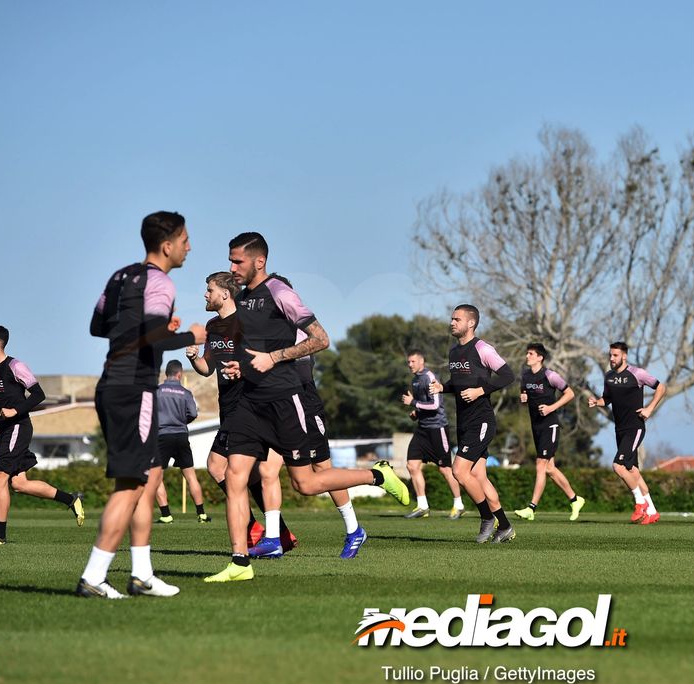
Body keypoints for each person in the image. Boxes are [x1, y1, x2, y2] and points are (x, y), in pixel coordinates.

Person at [206, 232, 409, 583]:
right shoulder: (245, 298)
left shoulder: (280, 292)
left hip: (286, 399)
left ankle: (377, 475)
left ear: (259, 261)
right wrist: (243, 365)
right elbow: (254, 346)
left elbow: (321, 339)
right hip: (249, 404)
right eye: (230, 260)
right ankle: (239, 562)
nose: (232, 267)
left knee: (306, 482)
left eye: (237, 261)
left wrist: (275, 357)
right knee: (233, 476)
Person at [76, 211, 206, 599]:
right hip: (133, 389)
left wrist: (155, 329)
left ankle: (142, 575)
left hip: (113, 384)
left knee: (147, 480)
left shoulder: (119, 276)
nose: (189, 246)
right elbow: (153, 341)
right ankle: (94, 576)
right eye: (185, 239)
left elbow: (98, 327)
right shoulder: (161, 283)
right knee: (131, 485)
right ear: (167, 246)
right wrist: (188, 334)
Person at [185, 272, 298, 553]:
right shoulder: (212, 326)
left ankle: (253, 528)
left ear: (225, 293)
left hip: (246, 403)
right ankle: (280, 534)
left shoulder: (247, 321)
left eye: (209, 289)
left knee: (216, 465)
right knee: (253, 474)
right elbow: (207, 368)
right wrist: (195, 358)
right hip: (227, 404)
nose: (205, 294)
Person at [0, 326, 84, 545]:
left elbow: (38, 394)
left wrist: (16, 411)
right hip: (5, 429)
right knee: (19, 484)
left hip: (18, 427)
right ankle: (71, 499)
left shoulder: (15, 366)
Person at [430, 304, 517, 543]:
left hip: (482, 421)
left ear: (471, 323)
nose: (452, 322)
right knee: (478, 476)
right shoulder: (453, 352)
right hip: (464, 422)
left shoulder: (482, 348)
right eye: (451, 319)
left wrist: (480, 391)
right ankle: (505, 526)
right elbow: (458, 382)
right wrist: (442, 387)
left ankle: (487, 518)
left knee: (459, 471)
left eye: (457, 319)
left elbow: (508, 376)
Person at [587, 342, 664, 524]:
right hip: (619, 429)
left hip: (635, 427)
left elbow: (661, 388)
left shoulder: (638, 374)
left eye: (615, 355)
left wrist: (650, 408)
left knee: (618, 466)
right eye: (610, 355)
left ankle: (640, 503)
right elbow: (607, 399)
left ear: (624, 356)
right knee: (632, 470)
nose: (612, 359)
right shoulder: (609, 377)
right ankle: (652, 511)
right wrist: (596, 402)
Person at [514, 343, 585, 522]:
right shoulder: (525, 375)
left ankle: (531, 508)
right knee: (550, 469)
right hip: (536, 426)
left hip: (550, 425)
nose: (527, 356)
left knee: (541, 466)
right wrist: (524, 397)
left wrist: (551, 407)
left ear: (540, 357)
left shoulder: (550, 375)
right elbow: (525, 394)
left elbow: (569, 394)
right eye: (527, 353)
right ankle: (575, 500)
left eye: (531, 354)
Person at [400, 349, 465, 519]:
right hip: (422, 429)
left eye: (413, 361)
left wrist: (412, 402)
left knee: (445, 469)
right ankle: (423, 506)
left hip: (437, 429)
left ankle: (458, 505)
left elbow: (435, 405)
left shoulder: (429, 378)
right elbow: (424, 406)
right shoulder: (415, 380)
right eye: (408, 362)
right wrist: (416, 413)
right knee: (412, 466)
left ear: (422, 361)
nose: (410, 365)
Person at [152, 359, 209, 524]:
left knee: (156, 476)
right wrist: (182, 422)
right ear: (179, 374)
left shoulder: (156, 391)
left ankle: (166, 515)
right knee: (190, 476)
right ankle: (201, 514)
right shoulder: (186, 393)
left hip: (162, 436)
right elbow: (193, 413)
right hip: (181, 435)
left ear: (166, 374)